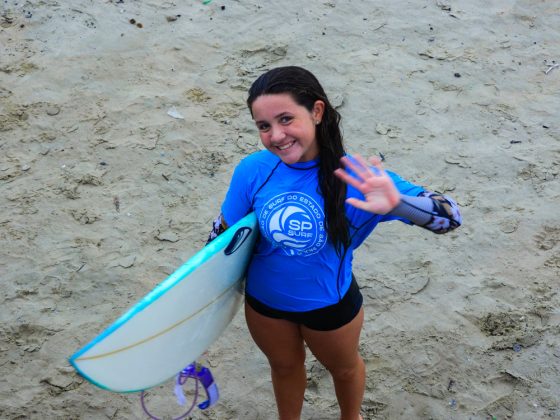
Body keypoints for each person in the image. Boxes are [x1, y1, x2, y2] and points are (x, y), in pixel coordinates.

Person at [207, 66, 462, 420]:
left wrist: (398, 204)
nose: (276, 136)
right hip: (265, 305)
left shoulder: (359, 180)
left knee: (344, 370)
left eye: (286, 119)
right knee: (283, 369)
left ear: (316, 111)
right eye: (264, 126)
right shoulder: (252, 169)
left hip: (329, 305)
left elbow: (451, 218)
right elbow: (224, 234)